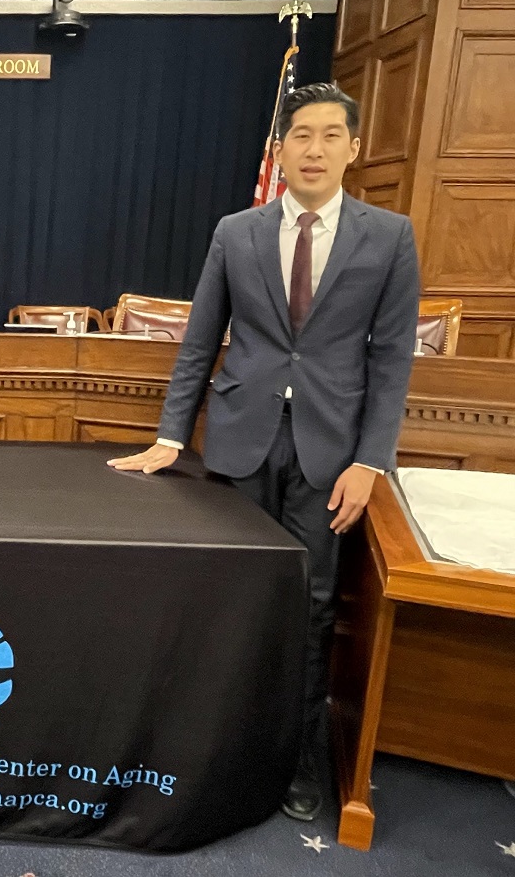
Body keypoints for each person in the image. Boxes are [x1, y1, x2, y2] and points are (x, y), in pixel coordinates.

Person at [110, 83, 421, 821]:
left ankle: (296, 758)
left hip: (331, 456)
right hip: (241, 444)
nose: (312, 149)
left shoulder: (389, 237)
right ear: (280, 151)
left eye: (327, 136)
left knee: (310, 606)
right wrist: (168, 435)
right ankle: (220, 745)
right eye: (299, 136)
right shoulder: (236, 232)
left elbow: (393, 359)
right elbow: (198, 343)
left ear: (352, 146)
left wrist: (370, 461)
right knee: (236, 597)